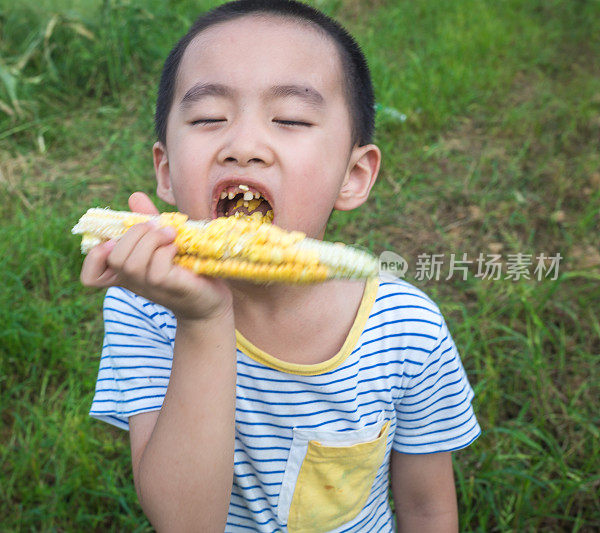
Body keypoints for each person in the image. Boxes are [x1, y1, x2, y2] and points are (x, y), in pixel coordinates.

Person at [80, 1, 481, 531]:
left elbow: (428, 507)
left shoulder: (408, 330)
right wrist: (201, 321)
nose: (243, 147)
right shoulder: (146, 308)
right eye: (207, 119)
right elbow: (183, 523)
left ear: (353, 175)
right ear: (167, 171)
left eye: (290, 119)